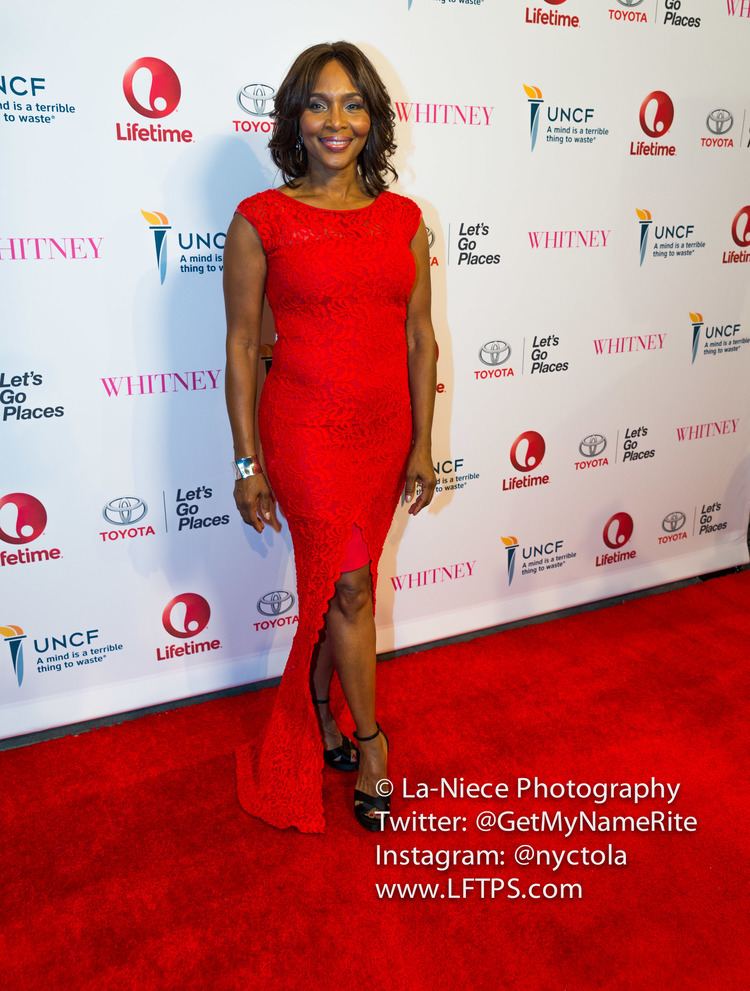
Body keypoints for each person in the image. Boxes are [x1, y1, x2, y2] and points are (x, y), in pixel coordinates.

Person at [223, 41, 437, 833]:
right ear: (295, 118)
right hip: (305, 428)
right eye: (319, 103)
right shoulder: (261, 219)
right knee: (349, 586)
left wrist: (422, 442)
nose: (336, 120)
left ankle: (321, 707)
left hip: (384, 431)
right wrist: (246, 461)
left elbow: (421, 340)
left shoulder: (404, 221)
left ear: (373, 119)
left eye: (352, 104)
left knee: (338, 583)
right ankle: (372, 743)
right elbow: (243, 346)